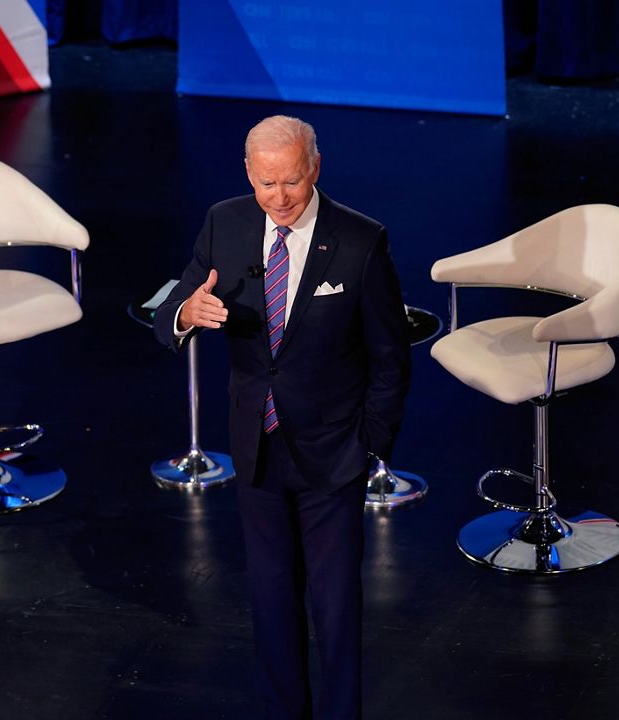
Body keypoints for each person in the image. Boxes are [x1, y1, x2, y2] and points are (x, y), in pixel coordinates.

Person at [153, 116, 410, 719]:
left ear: (314, 168)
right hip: (256, 446)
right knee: (269, 601)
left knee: (336, 605)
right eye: (268, 183)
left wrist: (371, 446)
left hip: (333, 451)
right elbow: (170, 309)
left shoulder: (360, 240)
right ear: (249, 174)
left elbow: (390, 359)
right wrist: (187, 312)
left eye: (292, 180)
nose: (281, 197)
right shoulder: (225, 222)